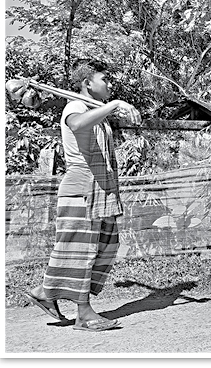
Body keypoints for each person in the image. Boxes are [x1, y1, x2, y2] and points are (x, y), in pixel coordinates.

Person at [23, 61, 137, 332]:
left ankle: (45, 291)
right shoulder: (75, 107)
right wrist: (114, 104)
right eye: (105, 79)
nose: (110, 84)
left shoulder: (94, 109)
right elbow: (75, 125)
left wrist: (115, 109)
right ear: (87, 83)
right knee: (81, 250)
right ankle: (83, 313)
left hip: (98, 188)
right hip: (81, 189)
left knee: (105, 243)